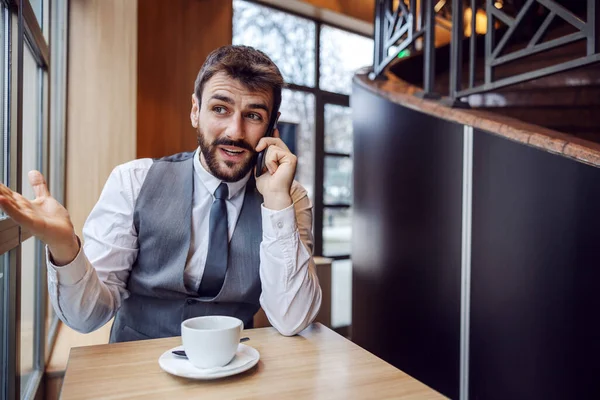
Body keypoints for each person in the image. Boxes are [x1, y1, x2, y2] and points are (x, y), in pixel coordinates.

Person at [0, 45, 322, 342]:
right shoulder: (133, 181)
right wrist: (64, 247)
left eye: (253, 115)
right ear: (196, 111)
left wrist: (277, 203)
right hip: (137, 371)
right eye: (220, 109)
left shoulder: (289, 198)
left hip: (233, 370)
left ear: (271, 127)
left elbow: (291, 319)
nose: (234, 132)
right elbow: (88, 318)